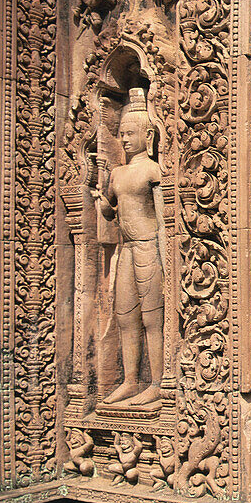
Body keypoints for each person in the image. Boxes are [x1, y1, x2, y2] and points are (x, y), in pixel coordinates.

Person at [93, 86, 167, 407]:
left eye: (130, 133)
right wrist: (101, 200)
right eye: (121, 133)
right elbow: (111, 211)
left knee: (152, 318)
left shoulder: (152, 170)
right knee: (125, 316)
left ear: (148, 136)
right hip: (126, 250)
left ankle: (157, 382)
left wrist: (167, 261)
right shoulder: (118, 173)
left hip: (149, 249)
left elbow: (165, 220)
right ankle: (130, 380)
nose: (123, 139)